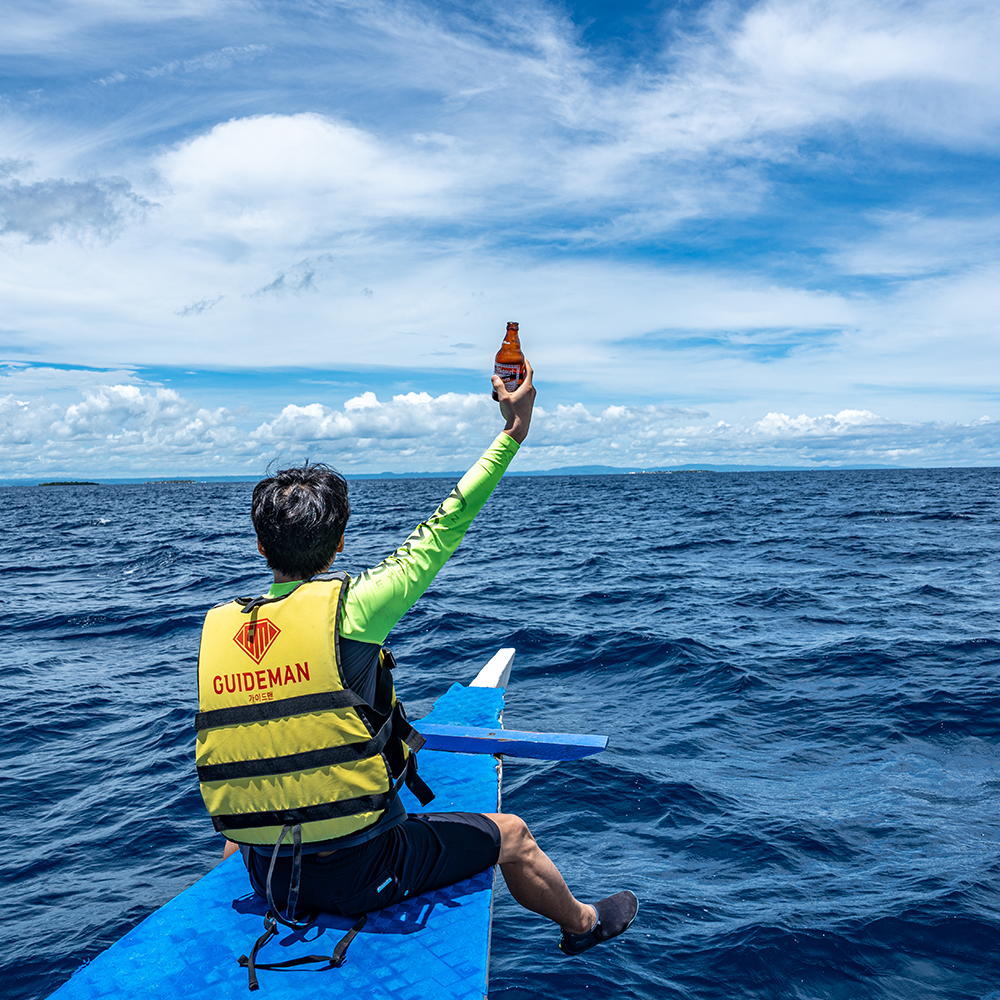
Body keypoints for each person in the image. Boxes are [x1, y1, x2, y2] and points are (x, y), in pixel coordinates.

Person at [195, 360, 637, 974]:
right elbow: (447, 522)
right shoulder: (354, 610)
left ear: (261, 545)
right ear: (340, 542)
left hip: (264, 872)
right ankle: (583, 924)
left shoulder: (221, 627)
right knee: (513, 835)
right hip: (356, 874)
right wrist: (513, 432)